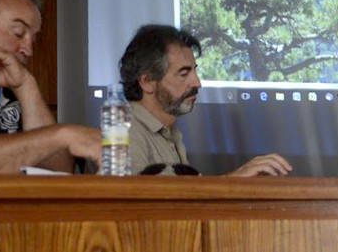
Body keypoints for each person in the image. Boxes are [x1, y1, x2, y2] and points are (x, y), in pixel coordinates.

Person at [119, 24, 292, 176]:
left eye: (194, 71)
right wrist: (235, 180)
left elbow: (183, 201)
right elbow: (138, 202)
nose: (197, 82)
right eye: (184, 73)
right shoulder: (125, 131)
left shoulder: (171, 133)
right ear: (147, 82)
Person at [0, 0, 101, 173]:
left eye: (33, 40)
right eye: (18, 33)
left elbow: (58, 171)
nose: (28, 50)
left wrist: (26, 85)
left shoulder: (9, 93)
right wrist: (60, 136)